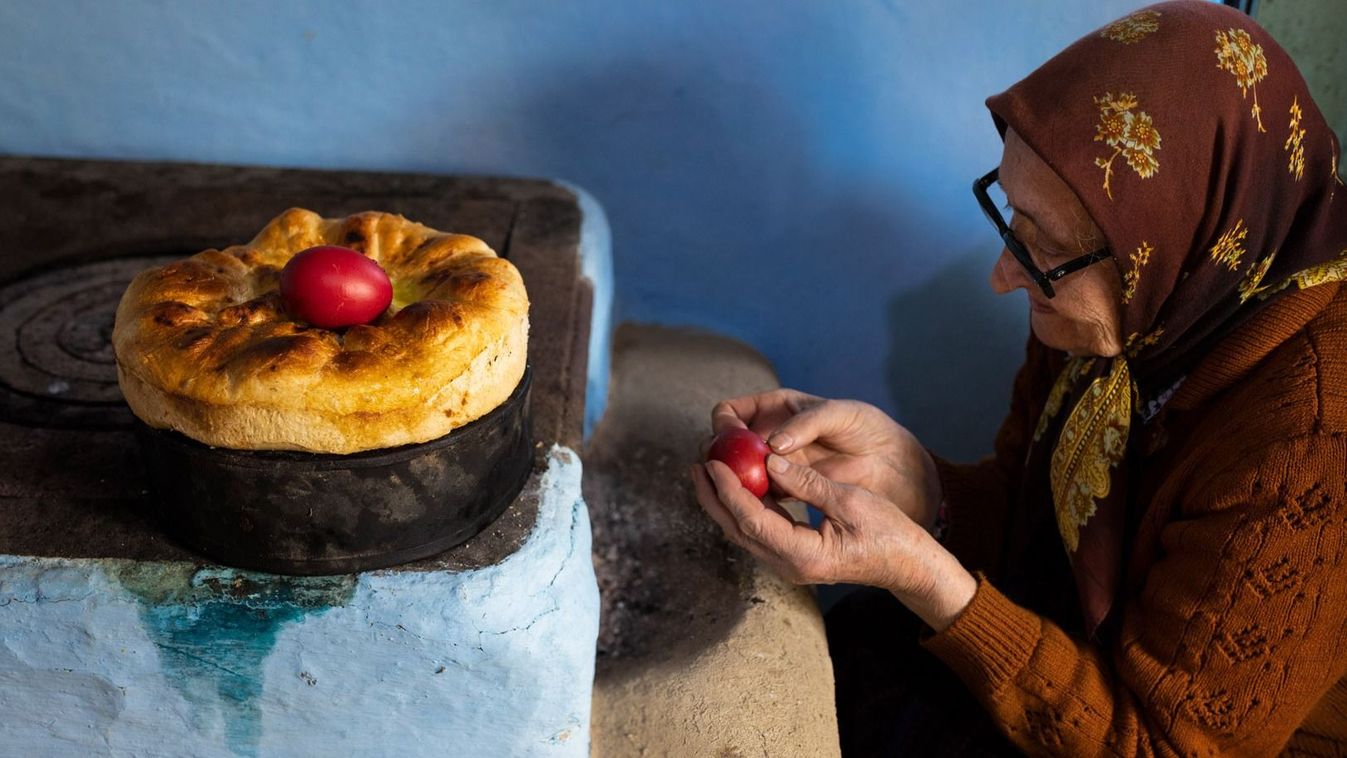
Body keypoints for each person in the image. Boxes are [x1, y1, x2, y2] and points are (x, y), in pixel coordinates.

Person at [689, 1, 1347, 754]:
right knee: (855, 657)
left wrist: (924, 578)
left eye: (1045, 249)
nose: (1004, 277)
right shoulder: (1133, 315)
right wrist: (915, 484)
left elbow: (1160, 744)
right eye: (1011, 220)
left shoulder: (1311, 442)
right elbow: (1032, 523)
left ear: (1175, 250)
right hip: (1068, 661)